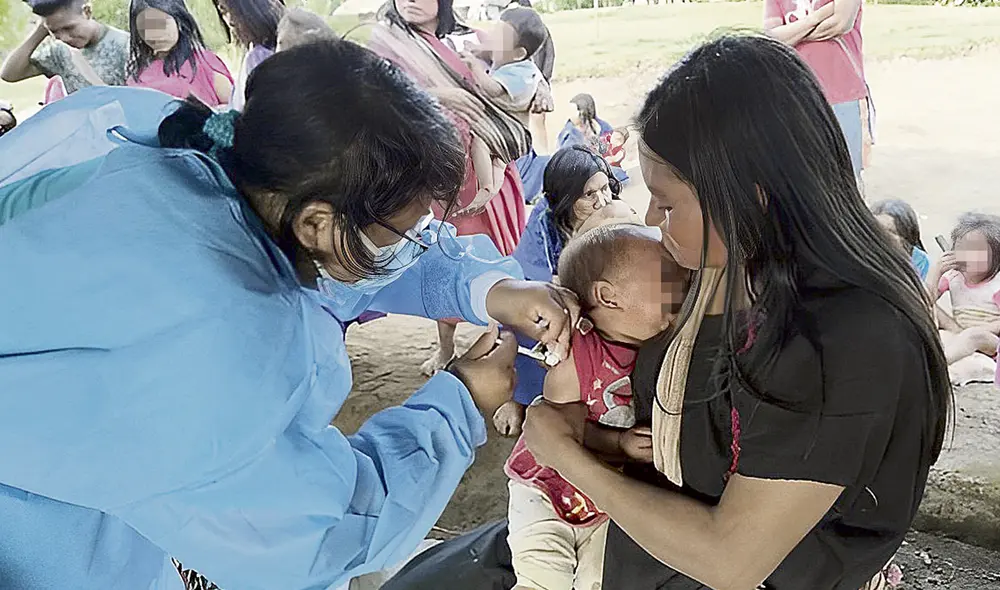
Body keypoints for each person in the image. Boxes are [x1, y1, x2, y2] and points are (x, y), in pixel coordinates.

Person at [0, 40, 581, 590]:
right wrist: (459, 404)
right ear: (316, 224)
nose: (410, 244)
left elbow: (346, 261)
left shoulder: (198, 160)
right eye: (401, 232)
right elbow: (311, 533)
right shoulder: (217, 345)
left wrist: (485, 287)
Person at [519, 34, 951, 590]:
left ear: (751, 196)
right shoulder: (726, 269)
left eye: (668, 202)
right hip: (648, 547)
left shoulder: (846, 343)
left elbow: (733, 561)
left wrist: (564, 455)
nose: (651, 217)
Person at [505, 223, 688, 590]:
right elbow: (558, 432)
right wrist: (617, 443)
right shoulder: (577, 354)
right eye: (666, 280)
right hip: (545, 486)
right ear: (609, 296)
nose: (680, 287)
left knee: (599, 579)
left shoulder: (657, 348)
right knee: (541, 574)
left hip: (604, 497)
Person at [365, 0, 532, 377]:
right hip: (436, 175)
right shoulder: (385, 45)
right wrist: (438, 98)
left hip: (484, 170)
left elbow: (507, 80)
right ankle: (445, 348)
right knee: (445, 258)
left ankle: (502, 343)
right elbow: (374, 103)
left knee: (497, 258)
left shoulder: (459, 39)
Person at [494, 146, 641, 436]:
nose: (602, 201)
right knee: (530, 320)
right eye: (589, 195)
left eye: (605, 189)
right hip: (556, 303)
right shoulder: (543, 229)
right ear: (563, 199)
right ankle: (520, 397)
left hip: (597, 305)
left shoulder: (616, 212)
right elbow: (538, 287)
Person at [764, 0, 870, 181]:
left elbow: (841, 22)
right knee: (802, 178)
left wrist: (795, 32)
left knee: (846, 177)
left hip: (843, 94)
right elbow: (771, 38)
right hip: (795, 96)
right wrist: (818, 17)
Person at [462, 6, 546, 213]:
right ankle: (491, 191)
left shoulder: (518, 74)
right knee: (499, 162)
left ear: (519, 54)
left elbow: (492, 89)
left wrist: (475, 66)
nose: (491, 40)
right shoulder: (514, 60)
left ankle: (487, 185)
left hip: (511, 133)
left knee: (480, 143)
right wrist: (479, 49)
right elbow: (493, 52)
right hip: (512, 134)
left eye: (499, 39)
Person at [1, 0, 128, 96]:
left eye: (69, 28)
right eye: (55, 31)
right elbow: (9, 74)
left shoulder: (126, 44)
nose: (64, 38)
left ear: (87, 12)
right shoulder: (59, 52)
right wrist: (42, 29)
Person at [927, 213, 1000, 376]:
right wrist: (937, 271)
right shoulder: (953, 277)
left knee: (974, 336)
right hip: (959, 332)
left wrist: (979, 329)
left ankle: (936, 366)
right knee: (936, 326)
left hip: (991, 342)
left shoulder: (996, 285)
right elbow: (924, 301)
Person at [126, 0, 234, 107]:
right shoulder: (137, 77)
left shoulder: (204, 63)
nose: (156, 34)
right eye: (146, 28)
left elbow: (235, 108)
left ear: (178, 18)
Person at [212, 0, 284, 111]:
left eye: (234, 9)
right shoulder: (253, 51)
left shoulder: (258, 57)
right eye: (223, 11)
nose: (230, 20)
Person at [556, 93, 629, 185]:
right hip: (579, 171)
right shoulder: (568, 133)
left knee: (620, 176)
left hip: (601, 165)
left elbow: (612, 149)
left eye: (574, 110)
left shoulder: (602, 126)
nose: (570, 114)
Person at [870, 199, 930, 280]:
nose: (882, 236)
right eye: (877, 230)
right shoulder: (864, 255)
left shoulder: (920, 260)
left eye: (890, 231)